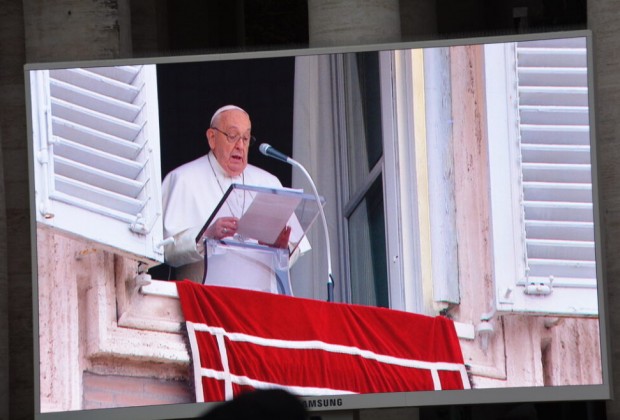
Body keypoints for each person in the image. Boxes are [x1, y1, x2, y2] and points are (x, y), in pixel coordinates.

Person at [161, 105, 308, 293]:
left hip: (262, 304)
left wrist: (281, 249)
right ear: (212, 138)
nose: (240, 145)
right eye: (232, 136)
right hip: (206, 304)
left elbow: (294, 248)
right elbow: (165, 251)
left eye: (246, 138)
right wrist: (206, 235)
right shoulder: (182, 179)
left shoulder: (269, 182)